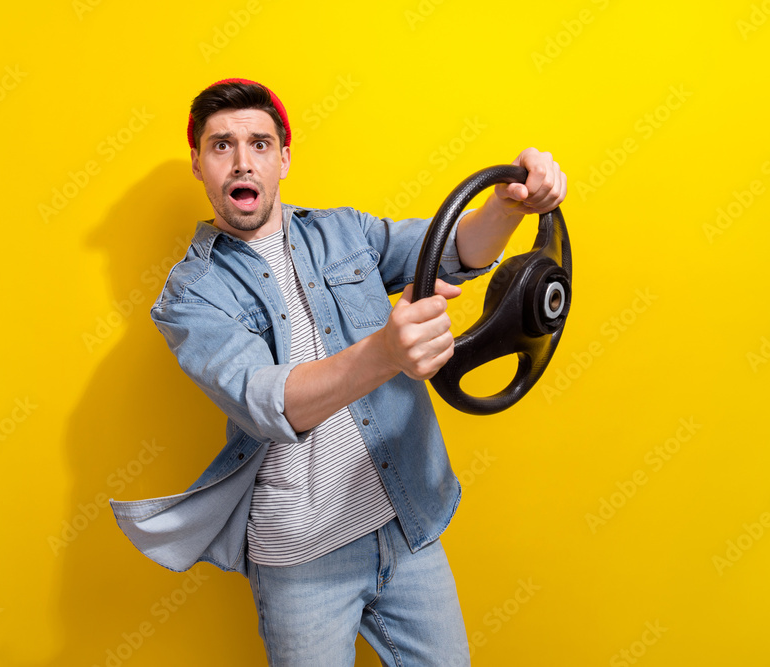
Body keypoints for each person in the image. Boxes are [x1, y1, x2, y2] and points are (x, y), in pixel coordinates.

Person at [108, 78, 566, 666]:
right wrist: (385, 353)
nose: (242, 161)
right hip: (300, 561)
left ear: (284, 158)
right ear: (198, 164)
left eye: (260, 143)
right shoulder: (191, 297)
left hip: (404, 524)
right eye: (221, 146)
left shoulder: (343, 231)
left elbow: (452, 248)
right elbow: (268, 402)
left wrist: (508, 205)